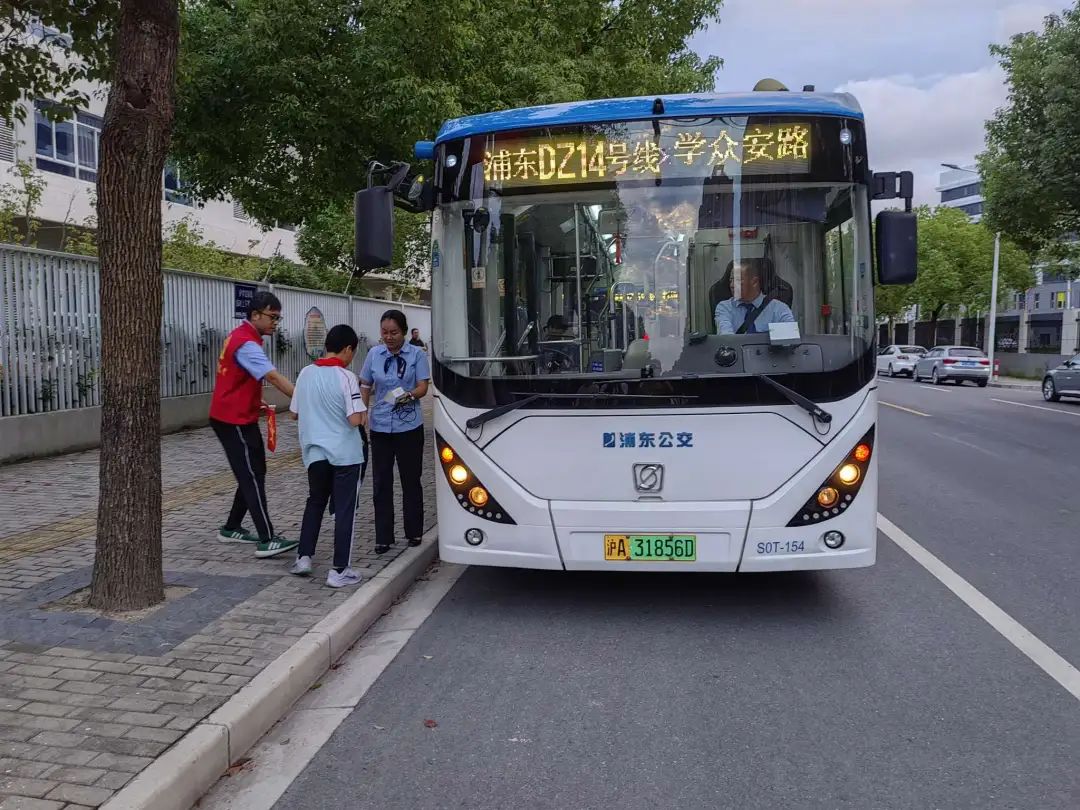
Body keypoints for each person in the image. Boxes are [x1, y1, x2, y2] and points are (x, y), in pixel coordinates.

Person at [209, 291, 299, 559]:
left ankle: (231, 527)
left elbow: (237, 376)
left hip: (241, 416)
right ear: (256, 315)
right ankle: (267, 538)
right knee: (250, 476)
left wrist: (252, 398)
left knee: (255, 471)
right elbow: (274, 377)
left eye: (278, 318)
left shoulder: (242, 336)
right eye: (272, 317)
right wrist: (305, 401)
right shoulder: (247, 343)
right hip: (231, 420)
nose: (275, 323)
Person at [288, 325, 368, 588]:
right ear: (347, 349)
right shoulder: (346, 377)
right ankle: (339, 570)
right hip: (346, 455)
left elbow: (294, 413)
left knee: (315, 502)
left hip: (315, 454)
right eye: (352, 352)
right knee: (345, 511)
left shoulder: (305, 373)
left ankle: (303, 558)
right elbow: (354, 419)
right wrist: (364, 413)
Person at [360, 309, 430, 554]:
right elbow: (366, 384)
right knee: (381, 482)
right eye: (385, 333)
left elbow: (423, 386)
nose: (389, 337)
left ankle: (414, 532)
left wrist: (407, 396)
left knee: (411, 480)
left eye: (394, 333)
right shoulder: (374, 354)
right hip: (380, 426)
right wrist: (362, 412)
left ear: (404, 332)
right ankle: (383, 537)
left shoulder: (417, 354)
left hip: (409, 426)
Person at [714, 259, 795, 335]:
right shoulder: (725, 308)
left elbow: (789, 339)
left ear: (754, 282)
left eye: (737, 280)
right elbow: (726, 338)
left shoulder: (779, 309)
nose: (732, 285)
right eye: (731, 280)